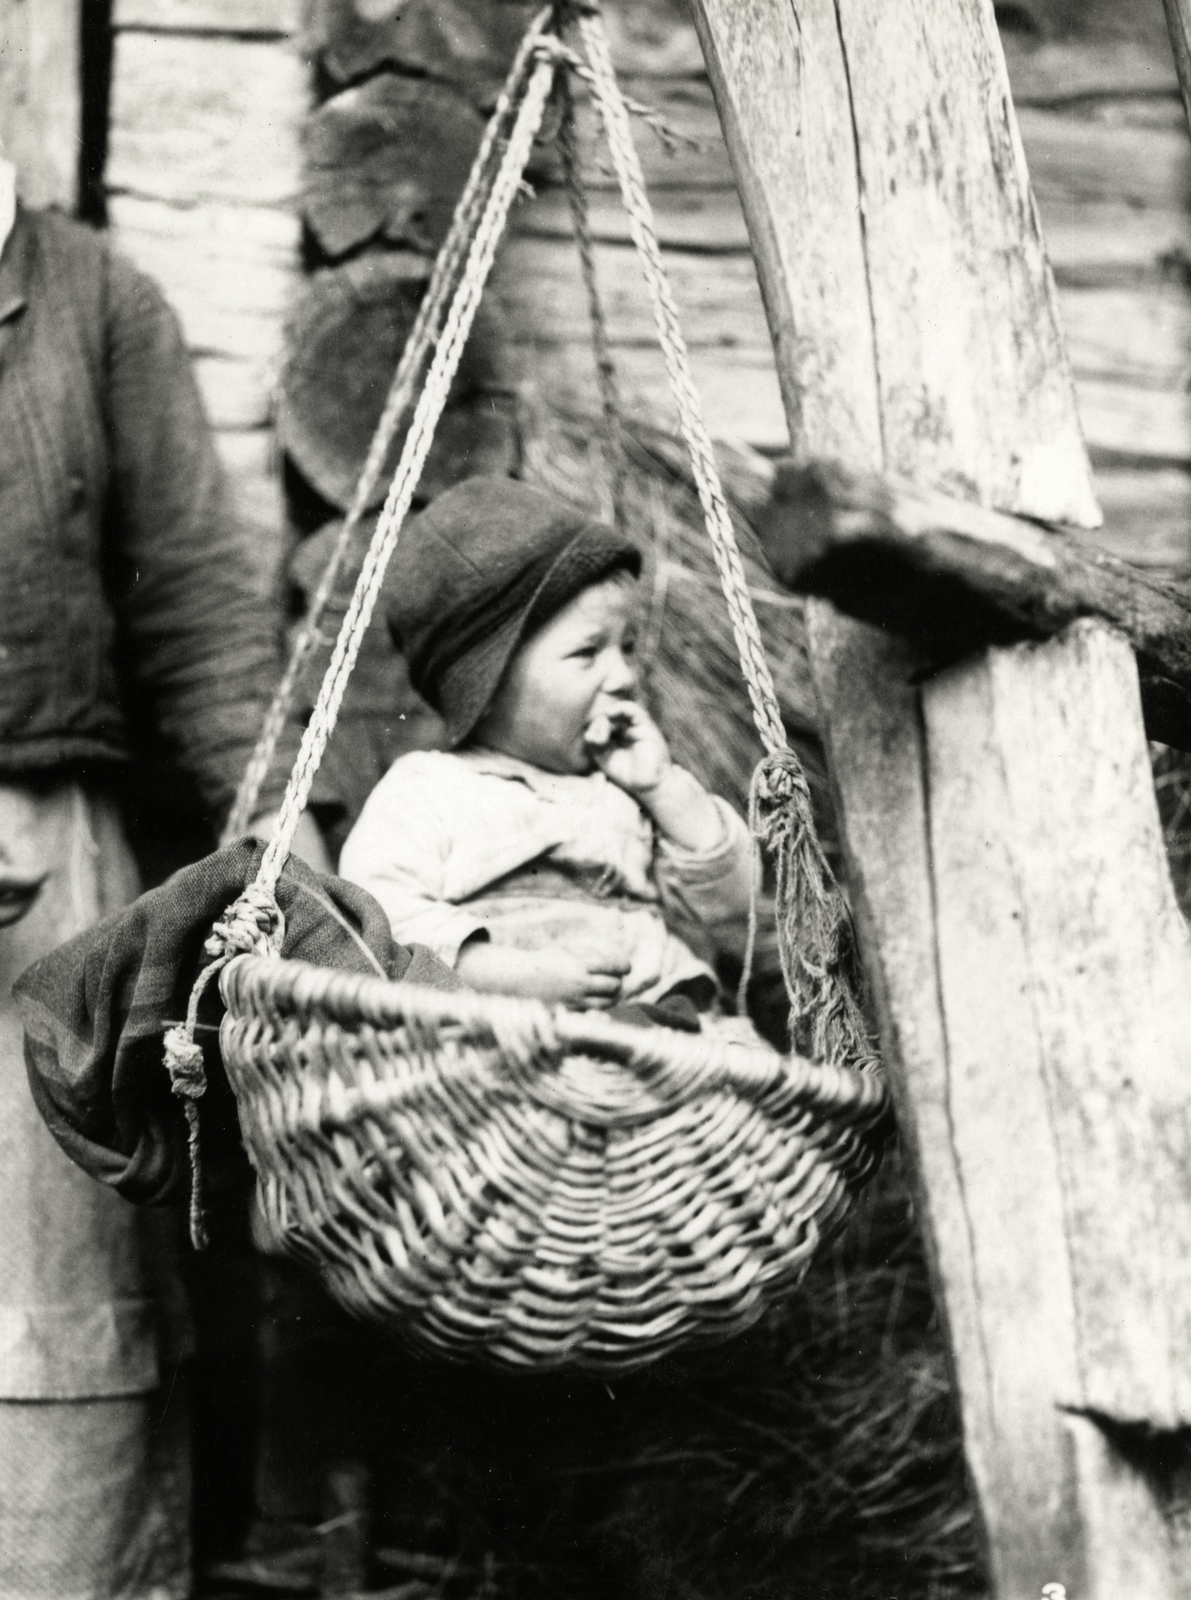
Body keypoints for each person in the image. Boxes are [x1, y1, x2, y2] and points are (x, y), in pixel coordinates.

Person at [0, 155, 326, 1599]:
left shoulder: (94, 304)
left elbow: (194, 605)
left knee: (53, 1312)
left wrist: (288, 863)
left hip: (51, 886)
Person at [339, 476, 757, 1025]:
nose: (625, 676)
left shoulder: (626, 790)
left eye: (626, 648)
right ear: (486, 683)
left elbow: (737, 911)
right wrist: (505, 974)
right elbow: (375, 921)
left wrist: (665, 789)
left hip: (670, 1036)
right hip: (515, 1047)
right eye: (588, 652)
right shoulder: (428, 789)